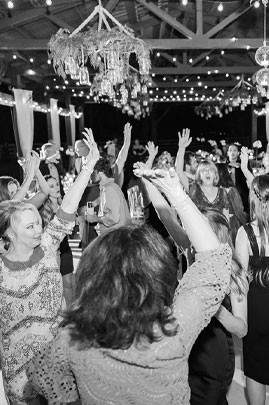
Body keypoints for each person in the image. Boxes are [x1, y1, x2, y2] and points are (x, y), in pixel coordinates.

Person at [27, 167, 232, 405]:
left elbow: (41, 378)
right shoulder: (173, 333)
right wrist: (178, 195)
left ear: (93, 276)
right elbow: (214, 259)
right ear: (156, 275)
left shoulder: (72, 339)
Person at [0, 130, 100, 404]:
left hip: (57, 367)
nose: (38, 230)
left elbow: (67, 208)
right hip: (18, 377)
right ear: (8, 234)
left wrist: (89, 165)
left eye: (39, 224)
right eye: (30, 226)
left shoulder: (46, 248)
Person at [189, 208, 248, 405]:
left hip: (214, 354)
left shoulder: (233, 270)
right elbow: (168, 220)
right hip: (190, 348)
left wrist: (215, 307)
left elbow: (242, 329)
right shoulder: (194, 257)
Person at [235, 174, 269, 405]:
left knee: (256, 370)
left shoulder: (245, 233)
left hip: (257, 312)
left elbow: (239, 283)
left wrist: (240, 322)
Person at [85, 157, 131, 235]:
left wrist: (95, 218)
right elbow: (108, 200)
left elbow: (114, 218)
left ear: (101, 172)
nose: (90, 175)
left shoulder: (109, 189)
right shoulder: (108, 187)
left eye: (92, 172)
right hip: (113, 235)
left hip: (114, 237)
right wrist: (95, 202)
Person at [217, 163, 246, 243]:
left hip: (227, 226)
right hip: (226, 226)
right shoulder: (230, 190)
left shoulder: (229, 191)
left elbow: (239, 211)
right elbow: (240, 211)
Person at [227, 143, 249, 213]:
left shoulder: (243, 165)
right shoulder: (224, 166)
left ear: (238, 153)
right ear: (227, 153)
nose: (232, 152)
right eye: (230, 150)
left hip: (241, 196)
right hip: (228, 196)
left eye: (234, 150)